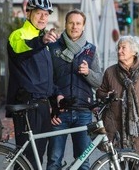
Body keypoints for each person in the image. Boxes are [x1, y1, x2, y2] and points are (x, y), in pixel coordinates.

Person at [6, 0, 59, 169]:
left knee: (37, 157)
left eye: (46, 14)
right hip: (26, 105)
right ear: (28, 13)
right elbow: (23, 48)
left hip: (41, 106)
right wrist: (41, 41)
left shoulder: (43, 40)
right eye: (39, 13)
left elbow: (45, 77)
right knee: (27, 157)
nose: (43, 18)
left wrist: (55, 98)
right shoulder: (18, 36)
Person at [46, 9, 103, 170]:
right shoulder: (53, 48)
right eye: (71, 23)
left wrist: (88, 73)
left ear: (83, 26)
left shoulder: (90, 50)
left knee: (83, 162)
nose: (74, 26)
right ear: (65, 24)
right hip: (60, 113)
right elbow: (47, 80)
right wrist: (53, 105)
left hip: (84, 112)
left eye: (78, 23)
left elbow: (98, 80)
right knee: (54, 160)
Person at [96, 35, 139, 158]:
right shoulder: (110, 72)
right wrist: (105, 95)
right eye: (118, 48)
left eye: (123, 48)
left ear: (134, 51)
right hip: (115, 128)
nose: (119, 51)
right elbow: (100, 93)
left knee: (138, 164)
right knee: (118, 164)